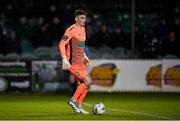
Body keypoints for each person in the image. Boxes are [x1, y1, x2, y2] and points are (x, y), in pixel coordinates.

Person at [59, 10, 91, 114]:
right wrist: (64, 58)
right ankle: (73, 101)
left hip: (81, 63)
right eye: (82, 18)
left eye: (85, 18)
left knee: (86, 84)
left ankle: (79, 105)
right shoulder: (71, 30)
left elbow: (80, 45)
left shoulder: (83, 29)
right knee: (88, 82)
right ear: (76, 19)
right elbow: (61, 44)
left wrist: (85, 56)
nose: (84, 20)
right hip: (73, 63)